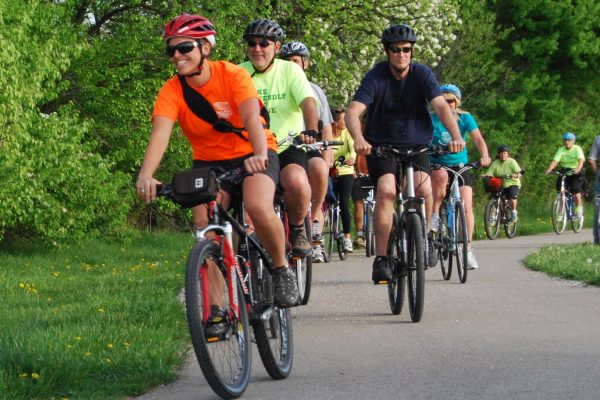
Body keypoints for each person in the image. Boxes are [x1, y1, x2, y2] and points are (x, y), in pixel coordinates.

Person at [136, 14, 299, 310]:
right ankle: (217, 311)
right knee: (206, 226)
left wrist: (259, 153)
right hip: (210, 162)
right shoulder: (172, 90)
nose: (176, 55)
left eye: (184, 48)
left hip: (253, 152)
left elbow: (251, 117)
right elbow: (160, 134)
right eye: (171, 50)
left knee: (258, 206)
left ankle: (281, 269)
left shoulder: (232, 75)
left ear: (205, 48)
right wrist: (146, 175)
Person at [345, 23, 465, 283]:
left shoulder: (422, 74)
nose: (401, 54)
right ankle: (382, 257)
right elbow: (353, 111)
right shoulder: (376, 77)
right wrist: (359, 139)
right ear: (387, 51)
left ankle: (426, 238)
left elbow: (441, 107)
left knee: (424, 190)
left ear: (412, 51)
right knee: (387, 190)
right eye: (396, 49)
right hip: (382, 146)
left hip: (417, 145)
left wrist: (456, 136)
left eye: (406, 49)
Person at [239, 19, 319, 259]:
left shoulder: (290, 70)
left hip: (286, 145)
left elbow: (307, 102)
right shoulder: (239, 73)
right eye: (252, 43)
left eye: (264, 43)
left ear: (276, 47)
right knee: (244, 199)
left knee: (296, 181)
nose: (257, 49)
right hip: (252, 148)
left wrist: (311, 129)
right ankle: (249, 248)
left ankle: (297, 228)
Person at [279, 41, 334, 263]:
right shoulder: (277, 85)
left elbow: (327, 126)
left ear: (305, 63)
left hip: (309, 146)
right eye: (287, 61)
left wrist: (328, 157)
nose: (291, 65)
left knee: (319, 168)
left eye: (295, 61)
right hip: (283, 145)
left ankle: (314, 216)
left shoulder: (315, 91)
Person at [429, 84, 491, 270]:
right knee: (440, 180)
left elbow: (478, 138)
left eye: (451, 101)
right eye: (444, 101)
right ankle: (434, 217)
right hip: (438, 163)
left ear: (457, 102)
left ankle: (468, 249)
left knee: (466, 204)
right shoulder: (431, 118)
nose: (447, 104)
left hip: (460, 165)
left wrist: (484, 155)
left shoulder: (465, 118)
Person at [330, 107, 356, 253]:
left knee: (344, 203)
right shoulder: (327, 133)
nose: (346, 122)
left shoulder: (347, 133)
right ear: (335, 121)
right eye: (343, 120)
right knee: (328, 202)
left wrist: (352, 158)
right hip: (331, 171)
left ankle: (347, 237)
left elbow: (352, 147)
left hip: (346, 171)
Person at [545, 132, 586, 220]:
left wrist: (578, 168)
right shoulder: (561, 150)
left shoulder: (577, 149)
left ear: (573, 141)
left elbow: (581, 160)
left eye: (569, 140)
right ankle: (560, 212)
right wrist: (549, 169)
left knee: (575, 189)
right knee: (560, 191)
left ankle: (579, 210)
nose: (567, 142)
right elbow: (555, 161)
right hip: (565, 171)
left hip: (576, 171)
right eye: (565, 140)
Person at [483, 145, 523, 223]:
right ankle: (492, 217)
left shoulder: (511, 161)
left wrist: (515, 175)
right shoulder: (495, 163)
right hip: (500, 185)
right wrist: (485, 176)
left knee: (512, 197)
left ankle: (514, 212)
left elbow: (520, 172)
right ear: (498, 154)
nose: (503, 155)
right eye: (501, 153)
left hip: (512, 183)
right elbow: (489, 173)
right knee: (493, 198)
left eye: (505, 153)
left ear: (508, 154)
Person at [588, 135, 600, 244]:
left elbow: (591, 160)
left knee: (598, 205)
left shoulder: (598, 139)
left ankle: (597, 240)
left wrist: (597, 173)